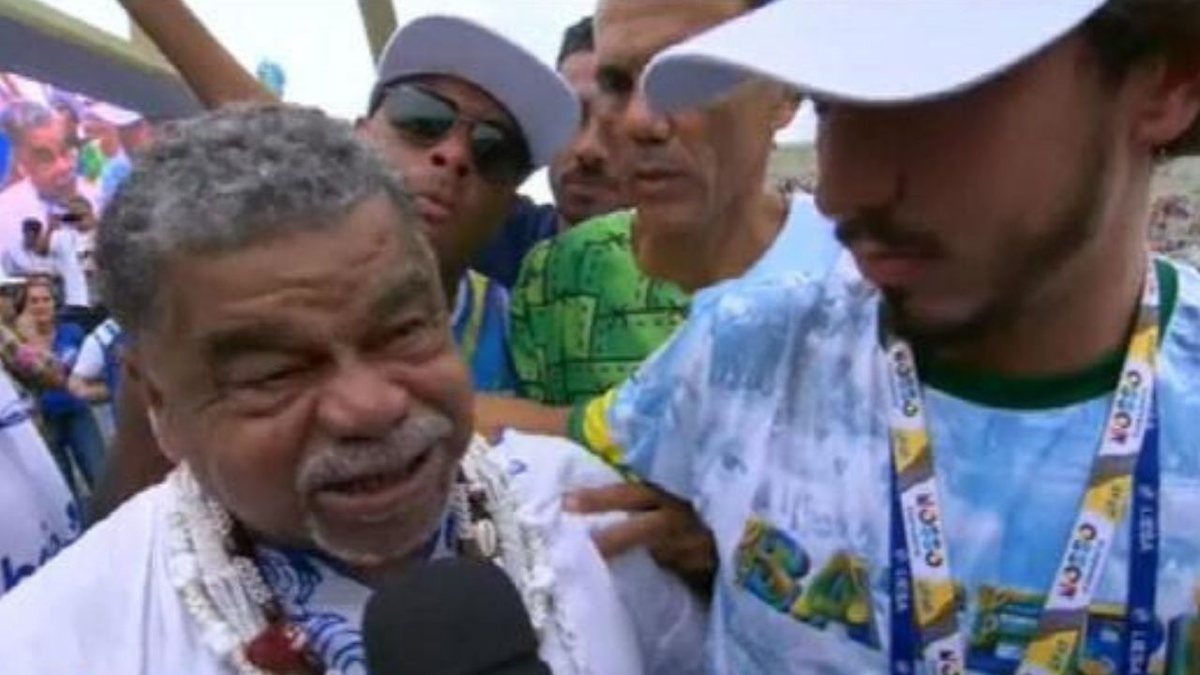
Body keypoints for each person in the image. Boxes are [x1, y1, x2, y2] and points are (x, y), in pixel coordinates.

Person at [587, 0, 1200, 672]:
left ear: (1166, 84)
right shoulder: (747, 351)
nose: (843, 189)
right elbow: (546, 462)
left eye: (938, 92)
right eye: (830, 104)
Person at [0, 104, 705, 675]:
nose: (369, 406)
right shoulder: (54, 643)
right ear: (159, 403)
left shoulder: (592, 515)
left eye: (402, 330)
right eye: (274, 373)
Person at [89, 3, 580, 519]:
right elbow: (117, 538)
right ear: (357, 136)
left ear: (511, 201)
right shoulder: (218, 320)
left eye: (495, 150)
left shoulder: (530, 323)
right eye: (422, 118)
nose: (453, 155)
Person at [473, 16, 628, 289]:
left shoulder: (708, 279)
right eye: (570, 115)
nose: (587, 150)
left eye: (616, 124)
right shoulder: (483, 234)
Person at [16, 276, 104, 492]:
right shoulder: (17, 342)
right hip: (45, 420)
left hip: (77, 411)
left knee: (100, 476)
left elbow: (91, 372)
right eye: (33, 301)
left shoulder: (72, 332)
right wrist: (31, 338)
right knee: (63, 487)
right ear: (24, 307)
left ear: (55, 303)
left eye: (46, 300)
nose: (41, 306)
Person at [0, 100, 100, 255]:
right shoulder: (6, 216)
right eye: (45, 158)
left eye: (64, 150)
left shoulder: (94, 196)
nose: (63, 167)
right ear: (22, 165)